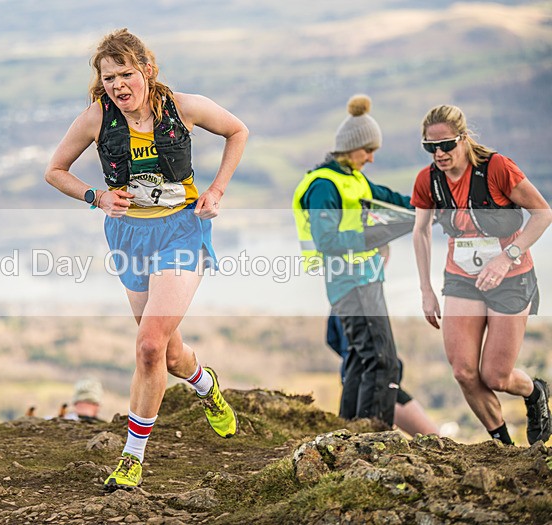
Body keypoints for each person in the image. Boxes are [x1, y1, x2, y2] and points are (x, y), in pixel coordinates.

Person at [44, 28, 248, 491]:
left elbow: (238, 131)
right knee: (170, 354)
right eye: (109, 76)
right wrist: (95, 196)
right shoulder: (97, 118)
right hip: (128, 237)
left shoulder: (184, 107)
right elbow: (54, 171)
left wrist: (216, 190)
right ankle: (204, 385)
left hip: (181, 231)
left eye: (126, 73)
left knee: (149, 345)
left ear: (147, 71)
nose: (118, 84)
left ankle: (132, 458)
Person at [411, 104, 552, 445]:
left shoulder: (496, 168)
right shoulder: (428, 180)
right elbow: (421, 231)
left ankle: (535, 393)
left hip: (511, 276)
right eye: (430, 147)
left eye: (446, 145)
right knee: (464, 372)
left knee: (495, 375)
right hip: (461, 277)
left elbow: (542, 213)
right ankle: (503, 448)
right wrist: (426, 290)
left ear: (464, 138)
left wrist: (507, 257)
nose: (439, 154)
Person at [293, 94, 413, 429]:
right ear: (351, 146)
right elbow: (327, 240)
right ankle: (373, 438)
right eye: (368, 150)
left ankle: (348, 433)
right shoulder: (323, 186)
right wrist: (381, 235)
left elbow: (393, 200)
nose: (372, 158)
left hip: (364, 279)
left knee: (362, 360)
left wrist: (426, 203)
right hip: (350, 283)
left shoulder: (353, 179)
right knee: (381, 361)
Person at [326, 313, 439, 437]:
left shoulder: (338, 305)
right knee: (431, 435)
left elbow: (331, 339)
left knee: (353, 434)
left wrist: (348, 357)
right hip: (378, 382)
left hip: (352, 379)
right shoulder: (367, 303)